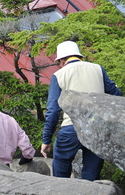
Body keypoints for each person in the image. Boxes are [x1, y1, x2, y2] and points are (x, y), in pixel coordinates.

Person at [41, 40, 122, 181]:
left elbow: (53, 111)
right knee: (91, 175)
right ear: (80, 56)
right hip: (97, 128)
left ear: (61, 60)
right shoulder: (98, 69)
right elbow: (116, 95)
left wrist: (46, 140)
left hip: (71, 127)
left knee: (61, 168)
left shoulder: (59, 75)